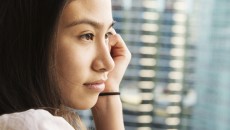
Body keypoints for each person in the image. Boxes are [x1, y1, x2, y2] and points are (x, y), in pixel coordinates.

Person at [0, 0, 131, 130]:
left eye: (107, 34)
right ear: (31, 39)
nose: (109, 63)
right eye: (87, 36)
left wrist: (108, 92)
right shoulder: (34, 125)